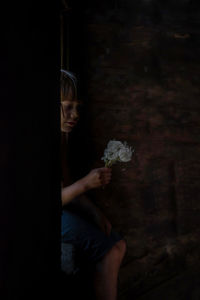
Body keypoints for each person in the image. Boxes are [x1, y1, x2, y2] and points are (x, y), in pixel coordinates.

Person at [60, 69, 126, 300]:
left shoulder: (62, 139)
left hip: (65, 210)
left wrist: (95, 212)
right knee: (109, 252)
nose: (74, 113)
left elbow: (66, 184)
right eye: (67, 106)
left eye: (77, 106)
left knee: (117, 244)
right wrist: (85, 184)